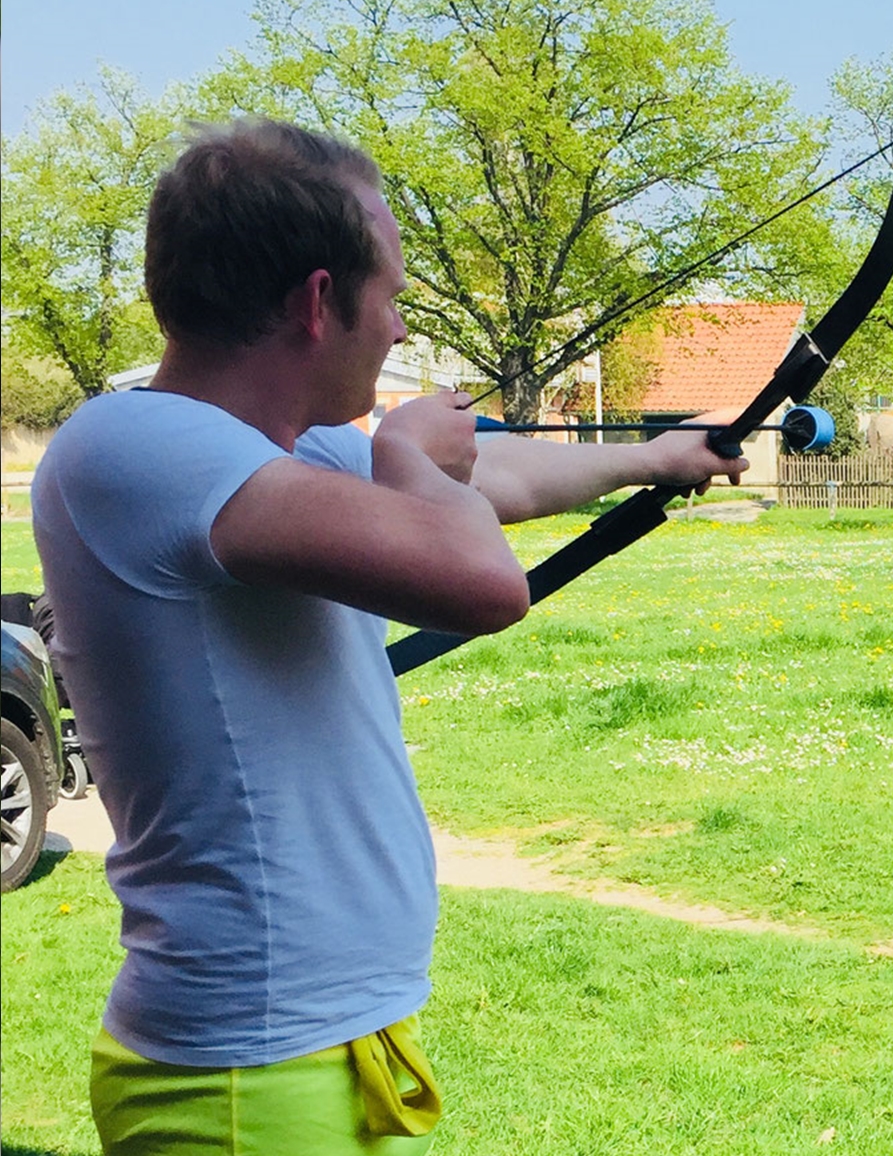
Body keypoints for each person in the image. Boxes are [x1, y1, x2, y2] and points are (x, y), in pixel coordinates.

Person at [31, 119, 748, 1153]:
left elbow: (493, 482)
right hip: (242, 1079)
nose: (404, 329)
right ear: (319, 302)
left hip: (305, 1052)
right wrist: (410, 454)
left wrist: (653, 459)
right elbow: (478, 580)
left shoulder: (269, 449)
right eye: (397, 295)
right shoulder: (140, 446)